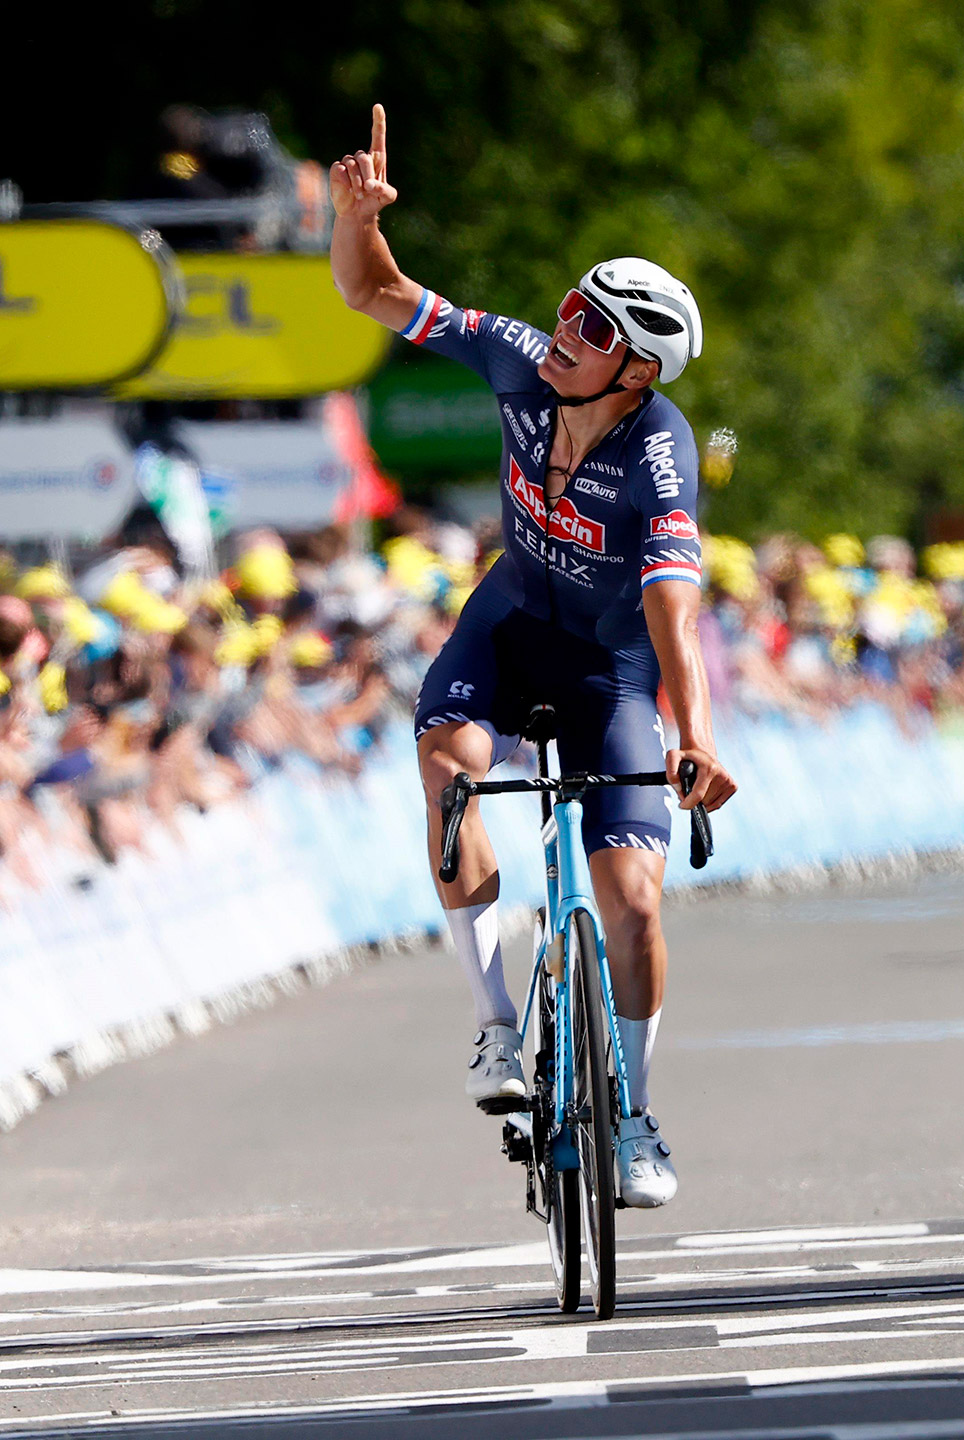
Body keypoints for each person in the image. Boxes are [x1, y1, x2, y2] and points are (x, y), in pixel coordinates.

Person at [330, 105, 736, 1208]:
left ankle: (639, 1118)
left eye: (594, 330)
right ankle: (495, 1025)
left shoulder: (659, 455)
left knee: (635, 902)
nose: (563, 332)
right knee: (452, 774)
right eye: (570, 308)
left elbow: (674, 610)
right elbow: (374, 291)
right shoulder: (515, 362)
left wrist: (695, 737)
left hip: (610, 672)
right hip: (507, 631)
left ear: (639, 374)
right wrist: (352, 217)